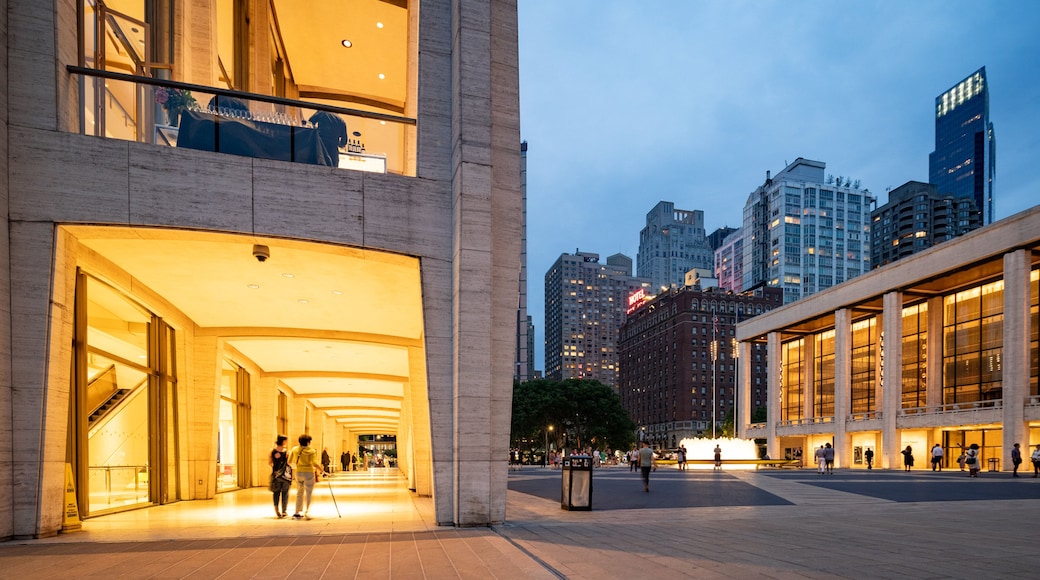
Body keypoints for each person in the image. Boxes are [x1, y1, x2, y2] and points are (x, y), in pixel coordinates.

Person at [288, 434, 323, 520]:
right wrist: (322, 470)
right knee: (308, 493)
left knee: (299, 492)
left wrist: (295, 466)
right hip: (309, 473)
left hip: (298, 473)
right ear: (308, 442)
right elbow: (314, 463)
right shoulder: (311, 451)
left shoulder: (294, 449)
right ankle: (307, 511)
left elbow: (289, 461)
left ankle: (297, 512)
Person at [268, 435, 291, 518]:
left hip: (275, 475)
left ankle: (276, 509)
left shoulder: (272, 451)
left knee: (276, 492)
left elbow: (270, 463)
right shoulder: (287, 452)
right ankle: (284, 511)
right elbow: (289, 463)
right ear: (283, 441)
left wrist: (276, 469)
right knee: (285, 493)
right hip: (284, 476)